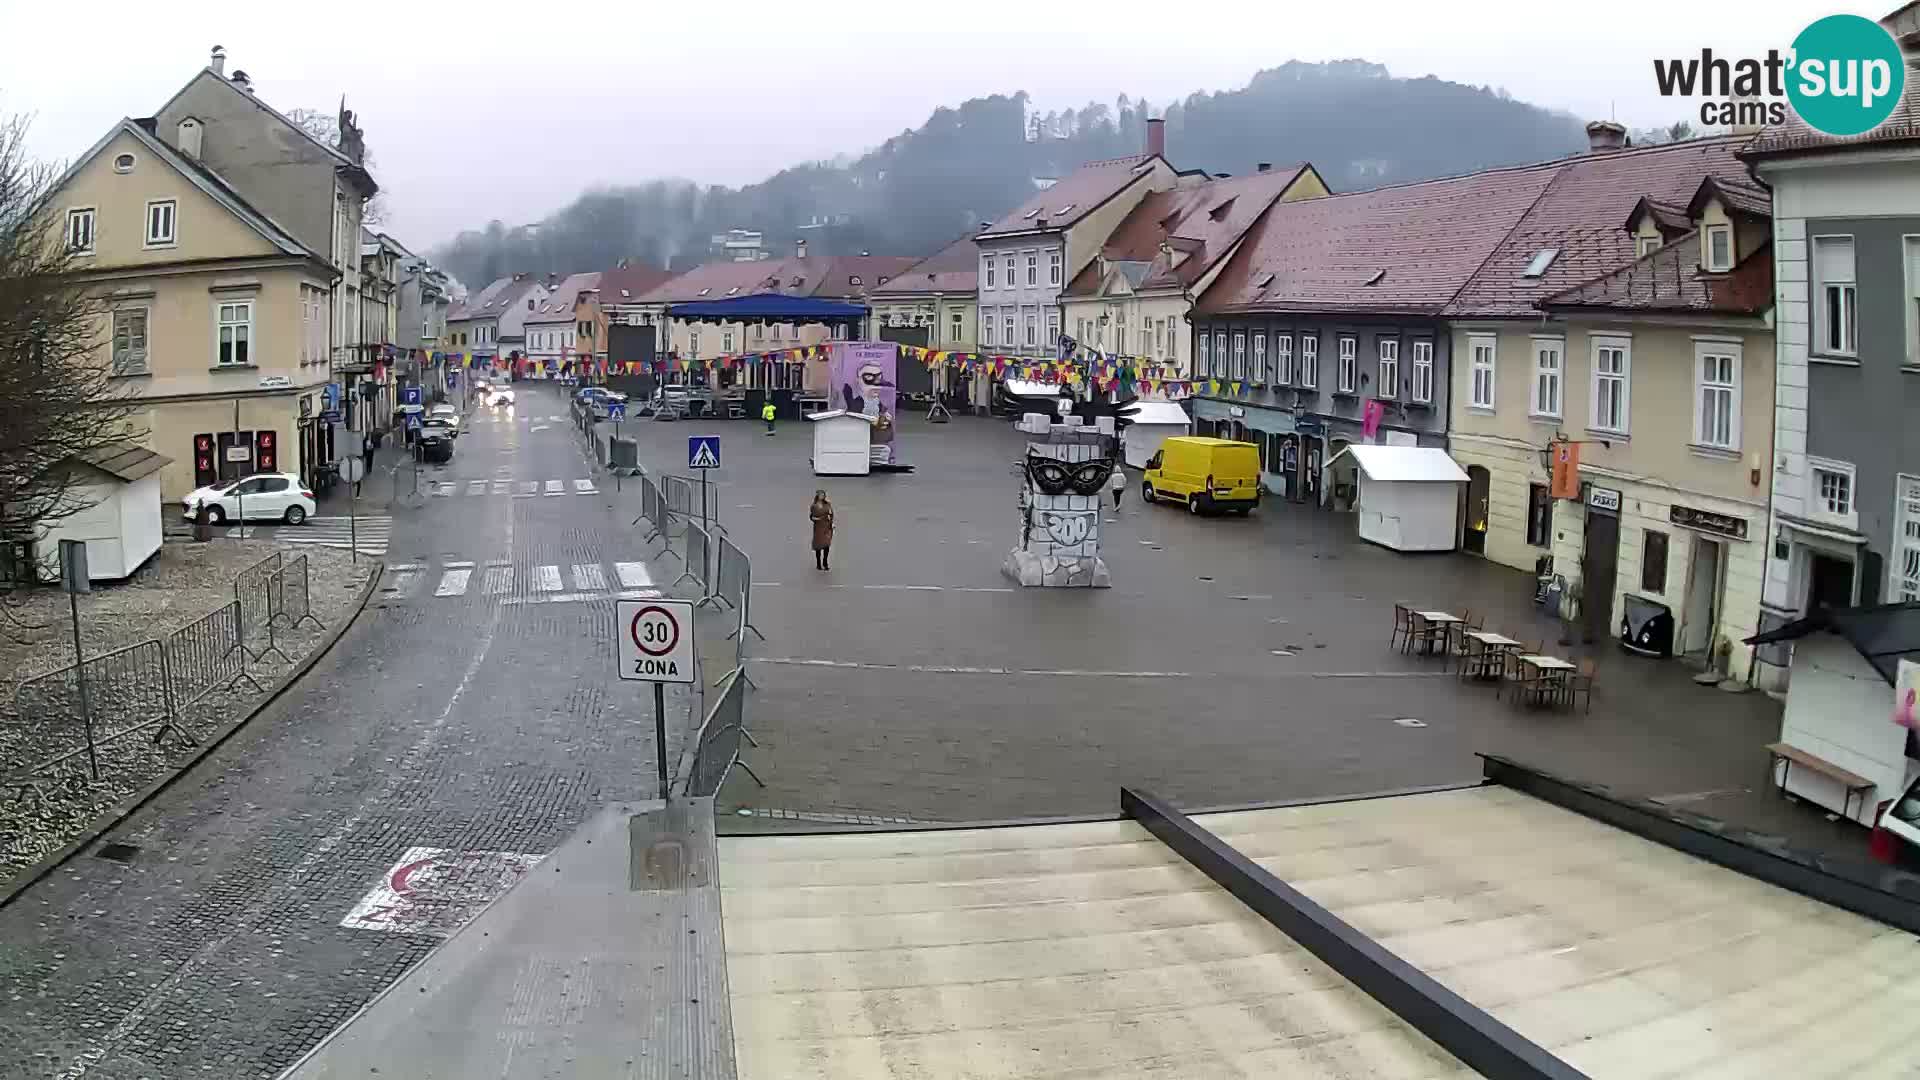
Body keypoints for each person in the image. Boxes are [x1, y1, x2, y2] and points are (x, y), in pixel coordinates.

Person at [809, 490, 835, 571]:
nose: (821, 496)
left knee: (827, 545)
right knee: (818, 546)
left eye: (823, 495)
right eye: (820, 495)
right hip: (818, 527)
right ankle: (818, 563)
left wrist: (832, 523)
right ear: (817, 496)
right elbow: (811, 516)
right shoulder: (814, 506)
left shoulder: (827, 504)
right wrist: (815, 519)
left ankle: (825, 562)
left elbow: (831, 514)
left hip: (827, 526)